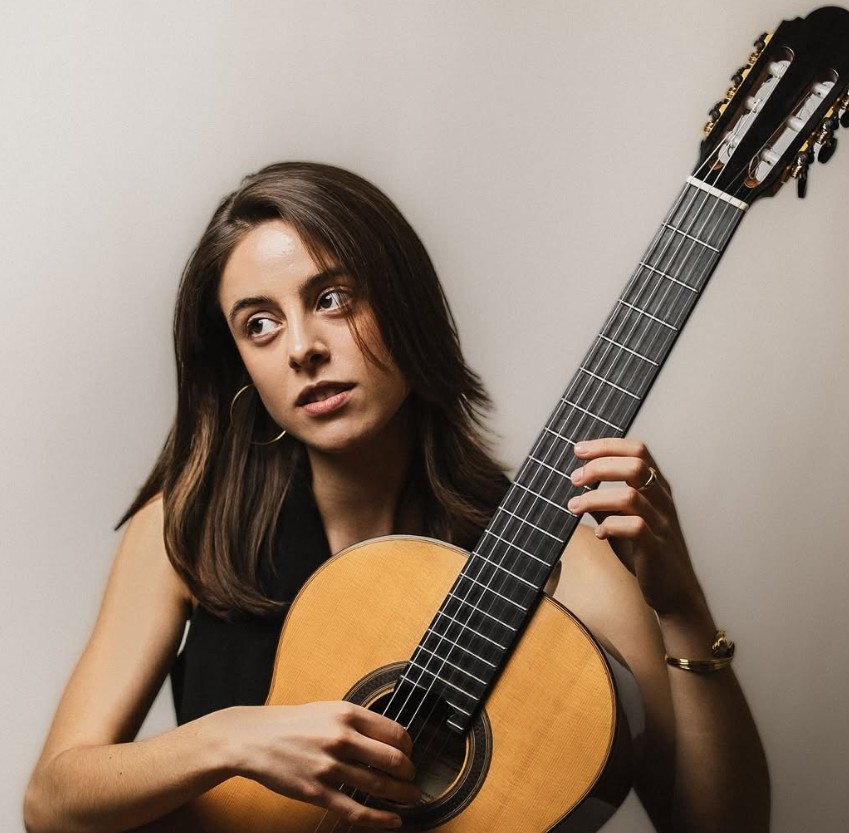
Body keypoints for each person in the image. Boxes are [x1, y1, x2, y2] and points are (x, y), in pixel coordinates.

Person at [24, 162, 769, 833]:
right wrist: (230, 738)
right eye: (260, 325)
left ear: (404, 304)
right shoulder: (191, 526)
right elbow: (53, 803)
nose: (301, 348)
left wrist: (681, 608)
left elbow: (718, 826)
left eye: (332, 298)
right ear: (241, 364)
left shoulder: (557, 549)